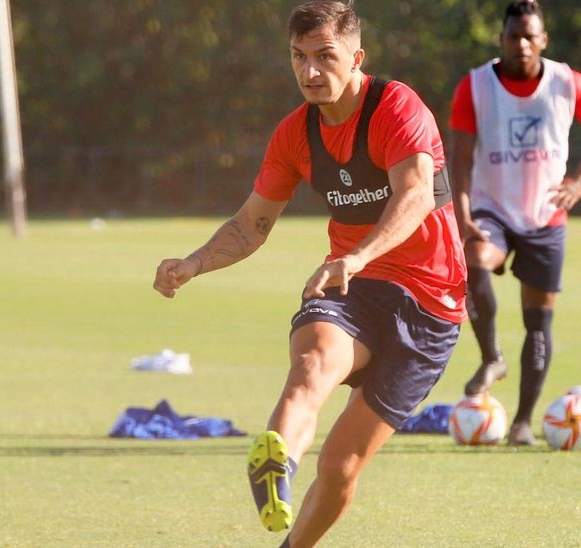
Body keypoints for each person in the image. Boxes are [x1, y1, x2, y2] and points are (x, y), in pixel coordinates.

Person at [152, 1, 465, 545]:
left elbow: (415, 194)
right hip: (351, 289)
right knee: (313, 363)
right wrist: (195, 262)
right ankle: (279, 463)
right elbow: (252, 224)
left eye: (325, 56)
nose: (310, 72)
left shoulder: (396, 106)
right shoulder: (296, 133)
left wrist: (359, 253)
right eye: (298, 57)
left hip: (431, 304)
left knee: (343, 467)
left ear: (357, 57)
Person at [448, 0, 581, 445]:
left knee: (538, 324)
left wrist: (580, 181)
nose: (521, 44)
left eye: (529, 36)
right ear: (500, 40)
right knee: (475, 259)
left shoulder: (566, 82)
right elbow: (460, 158)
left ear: (543, 40)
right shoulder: (476, 86)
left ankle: (522, 422)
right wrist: (461, 210)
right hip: (493, 208)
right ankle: (491, 357)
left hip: (546, 215)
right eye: (512, 36)